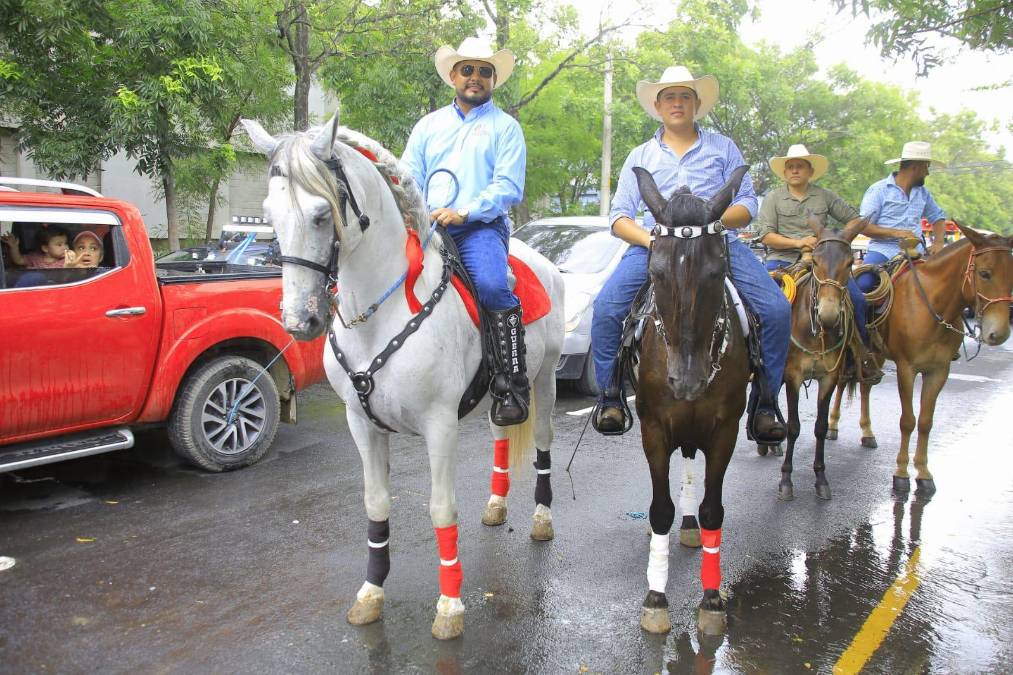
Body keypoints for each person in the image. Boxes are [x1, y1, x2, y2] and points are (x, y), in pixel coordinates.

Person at [590, 66, 789, 443]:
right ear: (658, 105)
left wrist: (710, 224)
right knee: (606, 309)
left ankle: (764, 404)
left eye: (685, 96)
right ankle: (610, 397)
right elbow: (619, 217)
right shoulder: (641, 154)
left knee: (776, 310)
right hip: (657, 246)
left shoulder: (723, 147)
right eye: (669, 97)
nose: (677, 103)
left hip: (717, 244)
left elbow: (747, 203)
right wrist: (652, 241)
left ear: (697, 104)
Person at [401, 37, 529, 426]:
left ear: (493, 79)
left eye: (484, 71)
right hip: (427, 228)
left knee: (491, 285)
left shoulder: (506, 128)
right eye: (468, 70)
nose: (475, 77)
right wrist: (412, 210)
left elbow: (508, 186)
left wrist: (464, 212)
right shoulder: (428, 125)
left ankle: (511, 385)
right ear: (453, 76)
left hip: (478, 229)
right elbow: (408, 176)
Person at [756, 144, 881, 382]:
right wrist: (799, 242)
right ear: (785, 172)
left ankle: (860, 356)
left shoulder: (825, 196)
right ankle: (759, 355)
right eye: (790, 167)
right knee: (764, 303)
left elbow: (853, 220)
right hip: (781, 261)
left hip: (824, 262)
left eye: (800, 166)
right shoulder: (773, 198)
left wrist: (832, 241)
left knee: (857, 299)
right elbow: (766, 236)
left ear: (810, 171)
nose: (795, 170)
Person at [855, 141, 947, 293]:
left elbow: (938, 217)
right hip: (883, 251)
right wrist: (896, 233)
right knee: (862, 284)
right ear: (915, 167)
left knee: (948, 285)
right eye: (926, 167)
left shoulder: (923, 193)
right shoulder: (879, 190)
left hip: (917, 253)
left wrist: (938, 242)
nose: (927, 173)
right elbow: (863, 226)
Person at [1, 225, 70, 268]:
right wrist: (14, 246)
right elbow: (19, 260)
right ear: (45, 248)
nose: (65, 247)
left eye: (66, 243)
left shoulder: (67, 261)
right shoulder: (35, 258)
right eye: (59, 245)